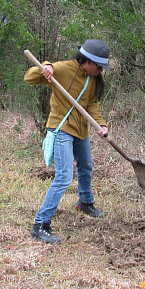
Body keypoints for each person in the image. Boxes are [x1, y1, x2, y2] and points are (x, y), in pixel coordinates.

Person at [24, 39, 112, 244]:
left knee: (86, 166)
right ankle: (40, 224)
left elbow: (91, 105)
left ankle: (85, 202)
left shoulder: (91, 79)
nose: (100, 71)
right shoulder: (63, 69)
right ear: (87, 61)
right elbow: (29, 77)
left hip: (80, 128)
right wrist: (45, 67)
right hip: (61, 127)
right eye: (99, 67)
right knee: (64, 177)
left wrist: (101, 125)